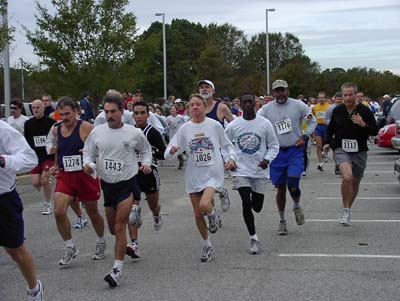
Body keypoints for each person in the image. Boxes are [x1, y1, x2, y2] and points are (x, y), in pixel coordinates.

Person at [83, 91, 152, 287]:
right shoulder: (97, 132)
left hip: (127, 184)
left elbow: (146, 150)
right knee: (113, 228)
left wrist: (146, 164)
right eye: (106, 111)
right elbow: (88, 153)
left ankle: (116, 270)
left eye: (113, 111)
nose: (110, 115)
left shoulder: (134, 132)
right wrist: (88, 165)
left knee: (120, 225)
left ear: (122, 111)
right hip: (107, 185)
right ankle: (132, 223)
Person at [165, 94, 236, 262]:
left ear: (204, 107)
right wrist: (172, 151)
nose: (195, 107)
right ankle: (207, 245)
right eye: (192, 105)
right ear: (188, 108)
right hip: (194, 174)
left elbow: (227, 145)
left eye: (198, 104)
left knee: (205, 204)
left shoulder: (214, 126)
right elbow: (169, 152)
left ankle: (213, 213)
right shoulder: (185, 128)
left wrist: (231, 158)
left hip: (213, 171)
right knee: (197, 214)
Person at [51, 97, 106, 266]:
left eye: (67, 114)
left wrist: (89, 155)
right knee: (59, 211)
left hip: (85, 176)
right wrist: (55, 165)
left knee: (92, 213)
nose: (64, 118)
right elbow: (59, 149)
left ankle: (101, 240)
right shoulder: (56, 130)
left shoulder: (86, 128)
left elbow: (101, 148)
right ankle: (70, 246)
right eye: (61, 115)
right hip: (66, 175)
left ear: (76, 111)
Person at [257, 80, 316, 235]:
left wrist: (305, 136)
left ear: (287, 91)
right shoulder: (266, 109)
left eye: (282, 90)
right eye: (277, 91)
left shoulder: (299, 105)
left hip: (294, 151)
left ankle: (296, 205)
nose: (280, 94)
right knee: (281, 188)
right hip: (277, 153)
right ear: (273, 93)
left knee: (293, 184)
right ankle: (282, 221)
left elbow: (312, 121)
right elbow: (256, 124)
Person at [225, 93, 279, 254]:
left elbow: (274, 145)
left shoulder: (265, 124)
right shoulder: (233, 125)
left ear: (256, 104)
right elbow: (224, 145)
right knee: (246, 202)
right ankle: (253, 238)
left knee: (257, 206)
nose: (248, 105)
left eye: (251, 102)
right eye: (245, 102)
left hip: (260, 171)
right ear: (240, 105)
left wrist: (267, 160)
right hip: (240, 170)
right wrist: (230, 160)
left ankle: (255, 208)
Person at [0, 120, 44, 300]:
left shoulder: (2, 129)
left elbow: (29, 158)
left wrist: (4, 160)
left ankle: (34, 288)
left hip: (3, 199)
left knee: (15, 250)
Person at [324, 82, 378, 226]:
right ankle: (346, 209)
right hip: (342, 148)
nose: (347, 98)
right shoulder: (338, 111)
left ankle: (347, 208)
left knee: (355, 182)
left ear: (356, 95)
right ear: (341, 96)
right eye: (345, 95)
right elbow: (330, 129)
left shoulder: (364, 111)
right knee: (347, 177)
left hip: (359, 150)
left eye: (350, 95)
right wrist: (327, 142)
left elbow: (374, 131)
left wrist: (363, 124)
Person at [125, 101, 166, 259]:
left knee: (153, 205)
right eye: (136, 113)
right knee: (132, 210)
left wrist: (149, 157)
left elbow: (163, 153)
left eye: (143, 113)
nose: (139, 116)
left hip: (149, 174)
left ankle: (156, 215)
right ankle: (134, 244)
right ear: (132, 114)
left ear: (148, 115)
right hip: (131, 174)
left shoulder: (153, 132)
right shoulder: (127, 131)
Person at [198, 79, 234, 212]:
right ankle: (212, 213)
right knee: (203, 184)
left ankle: (222, 191)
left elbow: (234, 126)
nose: (204, 89)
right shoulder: (196, 107)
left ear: (213, 90)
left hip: (217, 151)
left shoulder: (221, 107)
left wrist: (230, 148)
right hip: (200, 151)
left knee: (212, 182)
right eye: (202, 87)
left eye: (207, 87)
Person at [24, 100, 56, 215]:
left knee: (44, 180)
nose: (36, 110)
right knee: (36, 183)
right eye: (33, 108)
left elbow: (56, 138)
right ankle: (44, 182)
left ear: (43, 108)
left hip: (48, 156)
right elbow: (27, 140)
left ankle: (47, 204)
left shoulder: (51, 122)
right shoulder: (28, 124)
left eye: (38, 107)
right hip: (35, 156)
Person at [325, 92, 343, 175]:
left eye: (340, 99)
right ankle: (337, 165)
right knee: (335, 149)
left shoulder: (346, 108)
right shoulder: (330, 108)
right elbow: (326, 119)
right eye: (337, 99)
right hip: (334, 132)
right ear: (334, 99)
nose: (339, 100)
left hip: (344, 132)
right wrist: (332, 124)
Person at [312, 92, 331, 171]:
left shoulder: (329, 107)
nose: (321, 99)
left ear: (325, 99)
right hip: (318, 126)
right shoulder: (315, 107)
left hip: (327, 127)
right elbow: (313, 115)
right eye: (319, 97)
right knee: (319, 145)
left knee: (327, 145)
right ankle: (320, 163)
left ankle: (325, 152)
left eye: (322, 97)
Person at [166, 104, 186, 169]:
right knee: (175, 149)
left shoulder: (181, 117)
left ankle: (186, 157)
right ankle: (181, 160)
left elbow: (184, 125)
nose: (173, 110)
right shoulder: (168, 118)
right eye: (171, 109)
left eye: (174, 109)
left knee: (181, 148)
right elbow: (166, 126)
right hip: (172, 136)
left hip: (179, 135)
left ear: (176, 110)